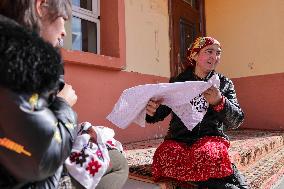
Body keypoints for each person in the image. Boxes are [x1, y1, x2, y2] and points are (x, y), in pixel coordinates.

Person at [0, 0, 128, 188]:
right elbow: (41, 156)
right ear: (40, 6)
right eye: (63, 19)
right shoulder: (22, 63)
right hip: (36, 177)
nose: (65, 32)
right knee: (117, 161)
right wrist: (63, 105)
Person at [146, 37, 249, 189]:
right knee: (165, 155)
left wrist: (219, 101)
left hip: (211, 137)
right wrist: (152, 111)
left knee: (207, 154)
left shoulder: (224, 83)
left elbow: (236, 121)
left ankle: (218, 178)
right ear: (194, 55)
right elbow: (161, 112)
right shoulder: (178, 82)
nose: (214, 57)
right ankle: (225, 182)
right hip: (179, 139)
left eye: (218, 53)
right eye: (209, 51)